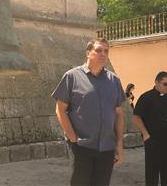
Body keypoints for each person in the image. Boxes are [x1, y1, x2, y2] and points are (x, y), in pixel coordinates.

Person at [52, 38, 125, 186]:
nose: (103, 54)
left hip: (106, 147)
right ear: (88, 53)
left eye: (106, 51)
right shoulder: (72, 77)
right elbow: (60, 109)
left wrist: (119, 143)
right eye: (98, 50)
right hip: (82, 146)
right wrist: (72, 136)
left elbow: (119, 113)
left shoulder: (114, 81)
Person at [133, 71, 167, 186]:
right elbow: (137, 116)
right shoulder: (146, 97)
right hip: (153, 142)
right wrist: (145, 134)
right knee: (152, 173)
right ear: (156, 82)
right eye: (165, 84)